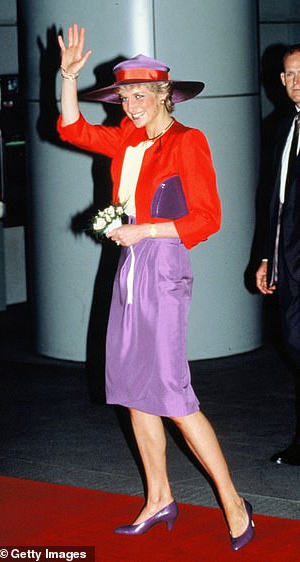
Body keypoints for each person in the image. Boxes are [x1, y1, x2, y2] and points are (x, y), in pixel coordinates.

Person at [57, 23, 255, 551]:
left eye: (142, 93)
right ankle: (159, 497)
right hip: (128, 266)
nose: (132, 103)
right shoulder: (124, 136)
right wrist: (67, 77)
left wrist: (144, 230)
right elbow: (73, 128)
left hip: (163, 264)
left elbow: (208, 219)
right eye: (125, 94)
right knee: (131, 390)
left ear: (165, 94)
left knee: (170, 392)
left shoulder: (190, 142)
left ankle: (234, 502)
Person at [256, 44, 300, 465]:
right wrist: (266, 257)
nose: (294, 81)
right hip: (287, 263)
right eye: (287, 74)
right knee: (293, 343)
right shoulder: (284, 125)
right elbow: (275, 200)